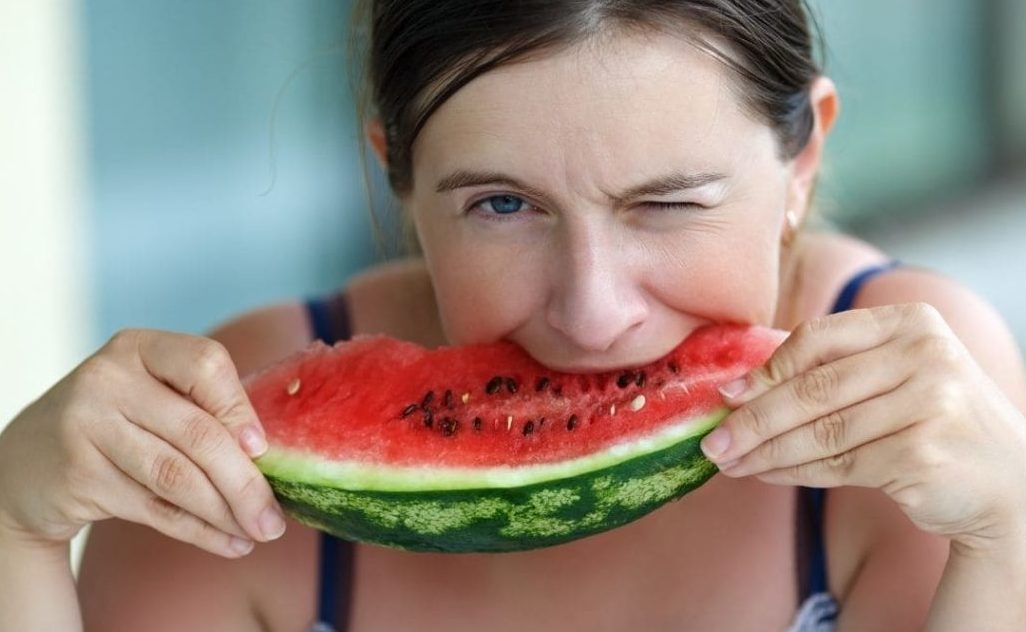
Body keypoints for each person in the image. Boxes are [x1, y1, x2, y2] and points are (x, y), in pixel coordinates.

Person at [2, 1, 1025, 630]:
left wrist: (1008, 536)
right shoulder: (232, 434)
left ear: (801, 160)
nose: (592, 310)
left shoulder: (921, 406)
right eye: (502, 205)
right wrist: (13, 529)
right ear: (397, 176)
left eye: (666, 204)